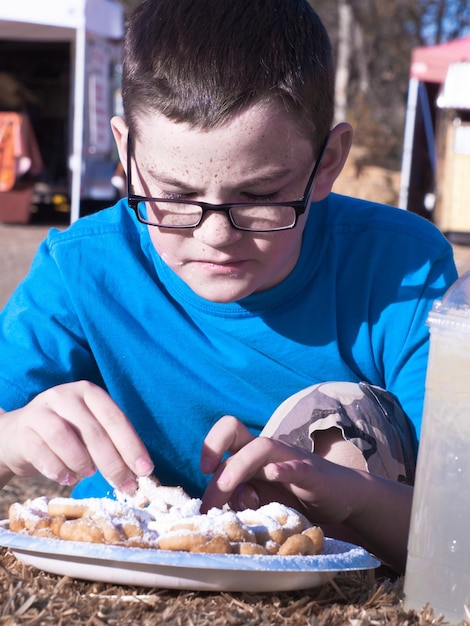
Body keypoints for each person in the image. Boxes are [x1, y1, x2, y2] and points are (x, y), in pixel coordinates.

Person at [0, 0, 458, 573]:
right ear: (126, 153)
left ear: (328, 162)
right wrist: (13, 434)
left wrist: (353, 497)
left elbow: (455, 521)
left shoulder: (401, 269)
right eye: (172, 194)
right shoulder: (82, 267)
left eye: (261, 197)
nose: (215, 236)